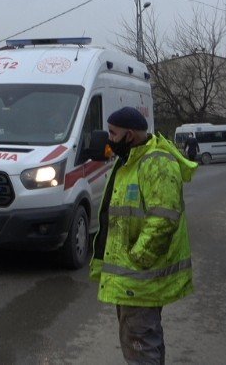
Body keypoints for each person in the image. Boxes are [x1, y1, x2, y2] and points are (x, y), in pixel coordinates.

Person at [90, 107, 196, 364]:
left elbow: (163, 219)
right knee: (139, 341)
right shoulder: (129, 160)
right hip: (132, 278)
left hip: (140, 278)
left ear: (129, 135)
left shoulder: (156, 162)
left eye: (113, 133)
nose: (109, 139)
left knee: (140, 344)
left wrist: (138, 260)